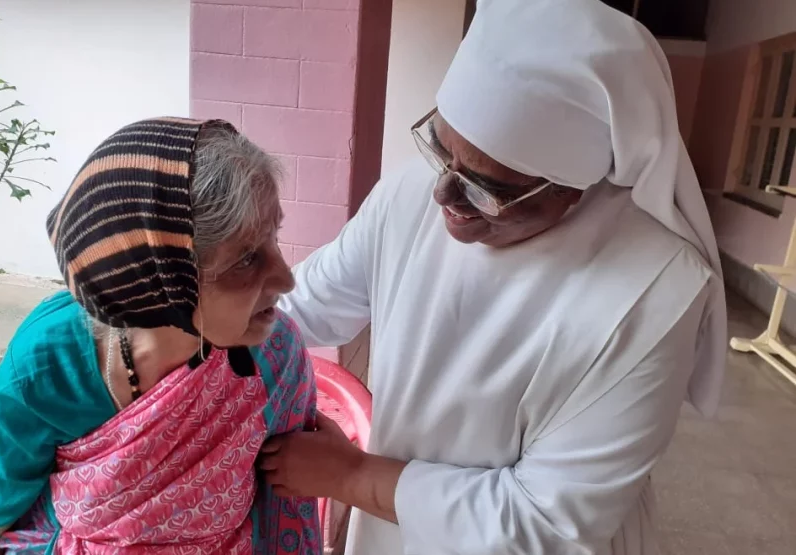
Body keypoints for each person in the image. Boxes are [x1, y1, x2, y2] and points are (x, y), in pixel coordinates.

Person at [259, 1, 727, 554]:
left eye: (488, 188)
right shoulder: (411, 194)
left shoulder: (654, 291)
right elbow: (297, 306)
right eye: (440, 147)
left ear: (574, 185)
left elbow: (545, 526)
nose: (444, 196)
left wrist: (349, 478)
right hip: (392, 526)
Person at [0, 118, 321, 554]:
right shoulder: (46, 368)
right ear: (162, 280)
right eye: (245, 260)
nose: (286, 278)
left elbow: (284, 513)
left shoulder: (274, 356)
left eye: (274, 237)